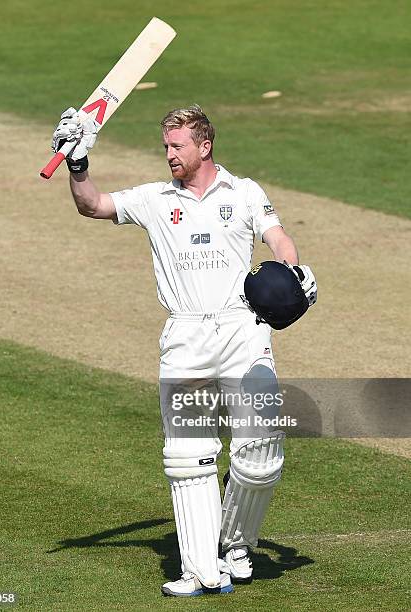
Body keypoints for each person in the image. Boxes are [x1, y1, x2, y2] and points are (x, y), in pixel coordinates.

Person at [50, 104, 317, 597]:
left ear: (204, 146)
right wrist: (78, 163)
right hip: (186, 339)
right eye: (166, 147)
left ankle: (235, 544)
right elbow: (94, 204)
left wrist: (291, 269)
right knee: (188, 457)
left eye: (177, 146)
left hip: (243, 332)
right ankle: (200, 570)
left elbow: (278, 238)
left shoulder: (244, 192)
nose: (169, 155)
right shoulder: (154, 199)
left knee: (260, 452)